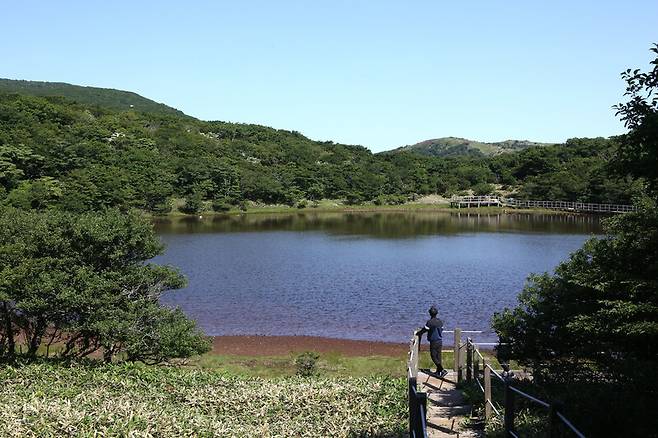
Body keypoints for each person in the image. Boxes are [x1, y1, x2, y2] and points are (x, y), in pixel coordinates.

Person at [416, 306, 448, 378]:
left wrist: (418, 333)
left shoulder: (430, 322)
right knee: (438, 356)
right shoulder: (439, 321)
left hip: (433, 341)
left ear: (430, 314)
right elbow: (441, 329)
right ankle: (438, 371)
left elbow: (424, 329)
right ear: (437, 313)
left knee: (433, 356)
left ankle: (442, 370)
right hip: (440, 340)